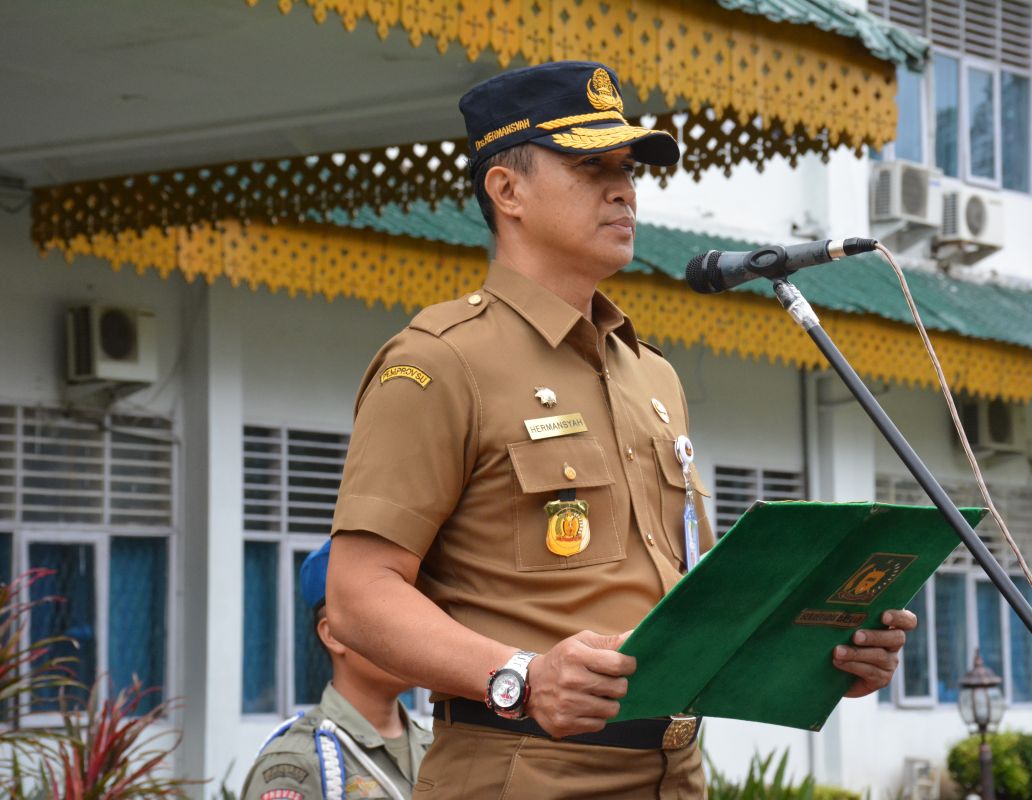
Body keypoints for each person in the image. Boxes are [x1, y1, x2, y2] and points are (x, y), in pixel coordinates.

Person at [326, 60, 918, 798]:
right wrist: (519, 675)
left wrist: (825, 651)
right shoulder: (441, 361)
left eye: (629, 168)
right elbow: (357, 595)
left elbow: (690, 599)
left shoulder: (653, 377)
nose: (623, 188)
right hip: (523, 770)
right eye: (590, 166)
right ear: (506, 190)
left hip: (675, 771)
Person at [241, 541, 431, 800]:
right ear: (334, 635)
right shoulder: (299, 763)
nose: (412, 631)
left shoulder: (436, 747)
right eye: (389, 616)